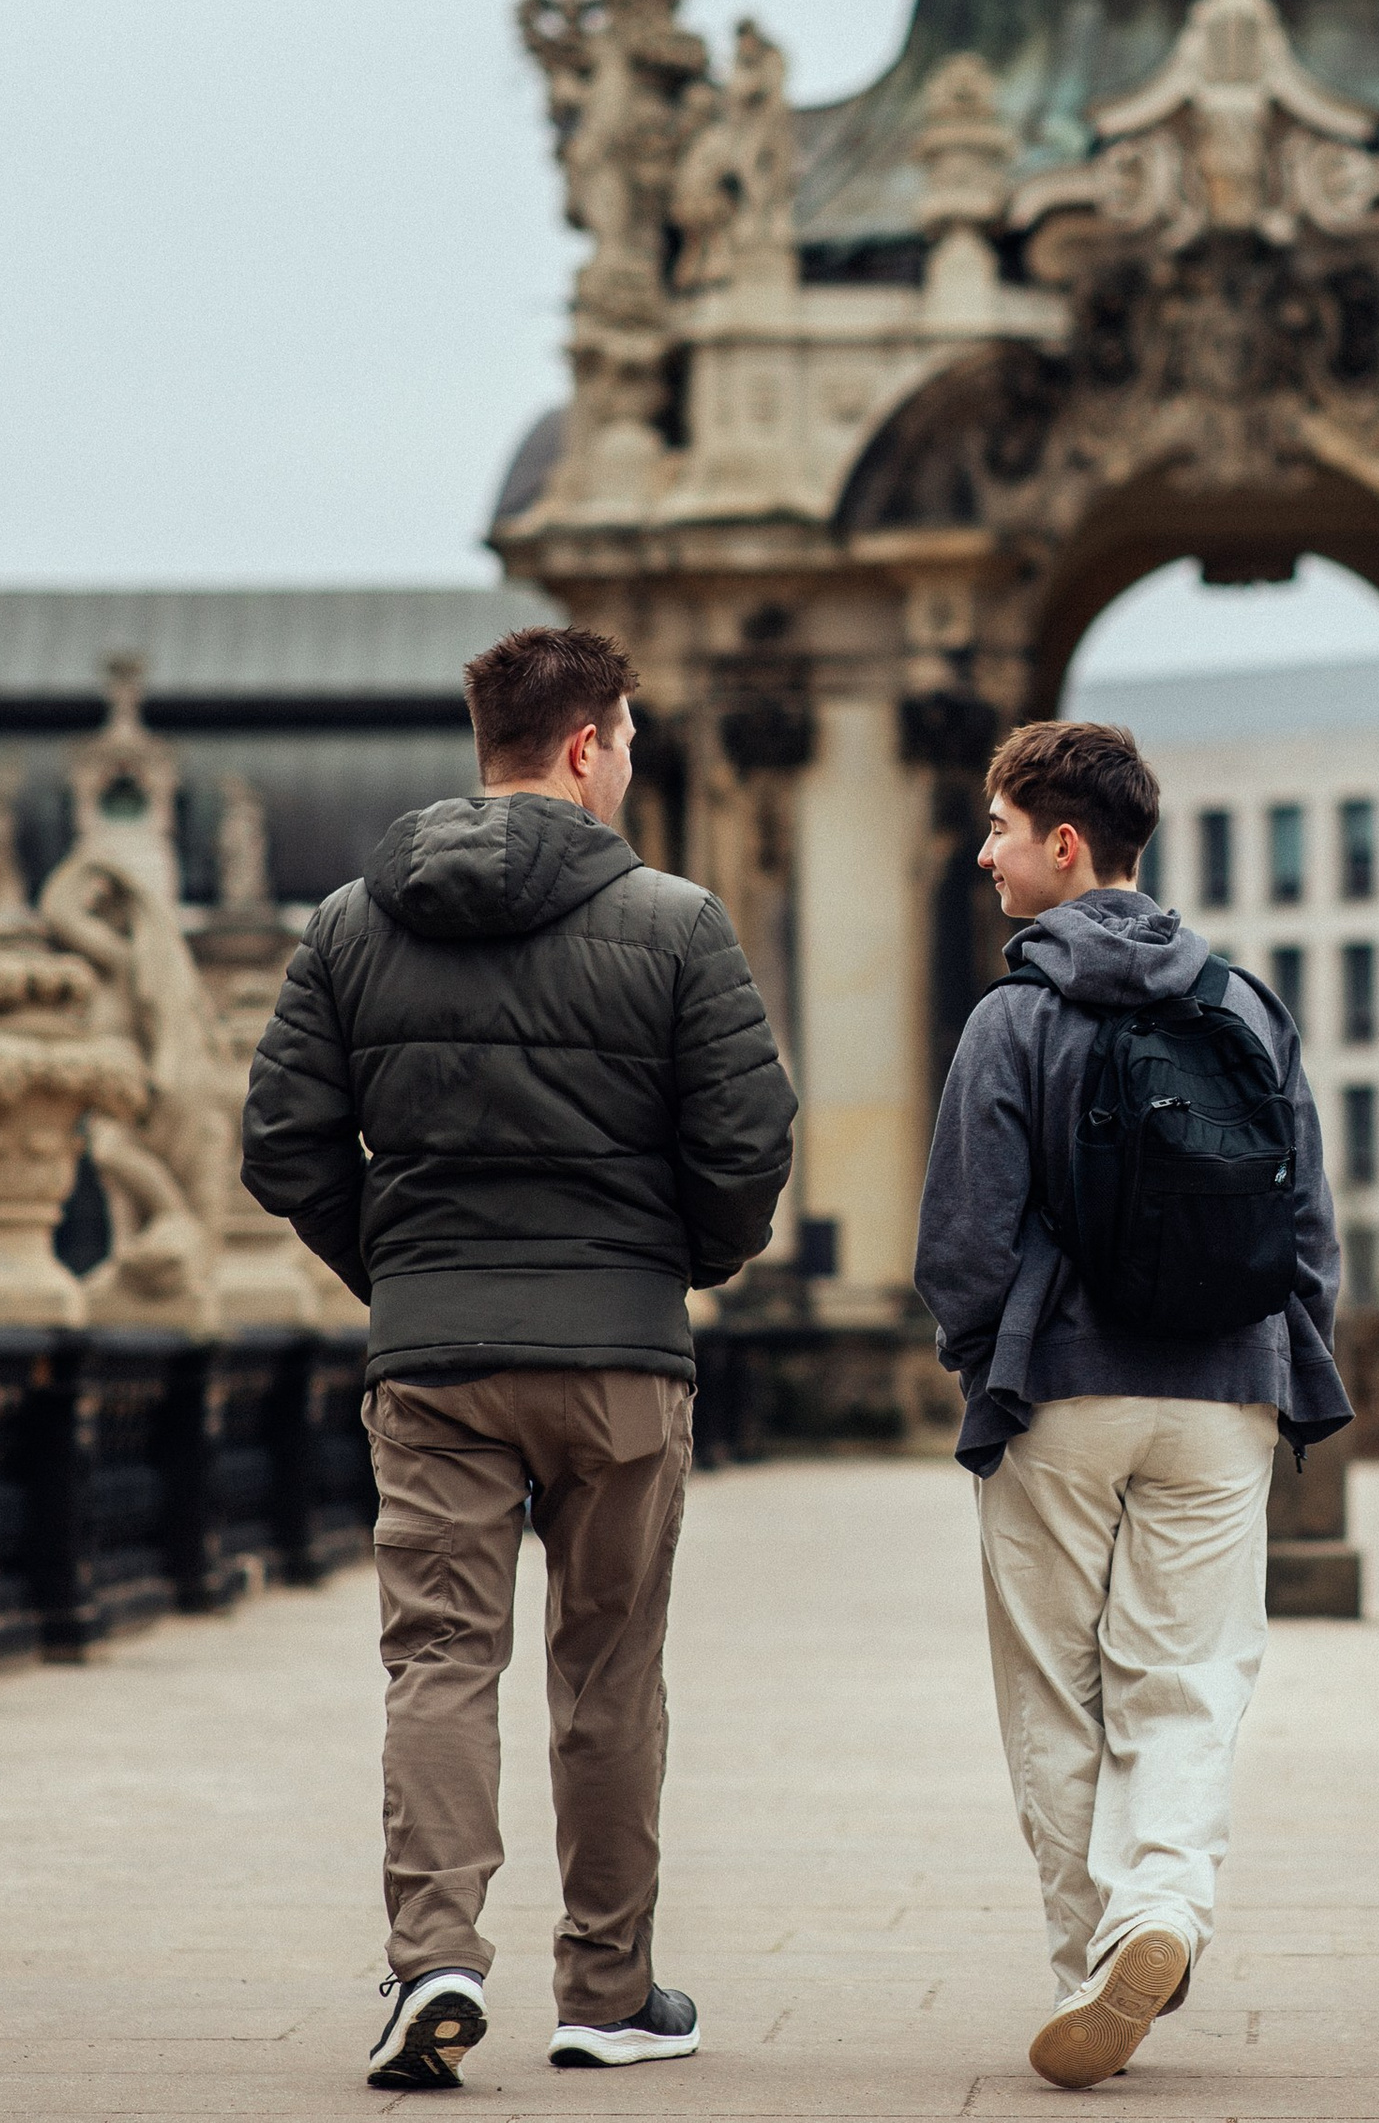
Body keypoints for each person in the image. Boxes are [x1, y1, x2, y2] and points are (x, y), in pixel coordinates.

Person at [241, 625, 797, 2093]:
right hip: (620, 1362)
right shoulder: (679, 925)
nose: (631, 759)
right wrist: (673, 1270)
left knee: (439, 1657)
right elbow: (748, 1147)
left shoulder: (352, 923)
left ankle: (432, 1954)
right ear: (583, 748)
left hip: (435, 1362)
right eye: (627, 737)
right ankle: (607, 1990)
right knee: (607, 1671)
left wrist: (402, 1268)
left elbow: (282, 1144)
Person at [914, 719, 1352, 2091]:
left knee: (1059, 1692)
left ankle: (1089, 1959)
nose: (980, 854)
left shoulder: (1012, 1018)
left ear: (1064, 844)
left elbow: (965, 1242)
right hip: (1225, 1389)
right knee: (1189, 1678)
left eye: (998, 829)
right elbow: (1310, 1222)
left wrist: (991, 1362)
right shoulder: (1241, 1003)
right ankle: (1163, 1903)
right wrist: (1280, 1374)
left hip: (1060, 1391)